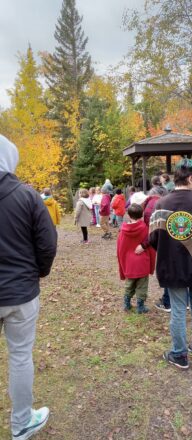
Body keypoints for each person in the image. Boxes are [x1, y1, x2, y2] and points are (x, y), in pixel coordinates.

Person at [0, 134, 57, 440]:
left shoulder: (26, 194)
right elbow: (47, 244)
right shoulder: (27, 195)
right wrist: (39, 273)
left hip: (20, 286)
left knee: (21, 356)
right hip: (20, 292)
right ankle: (21, 424)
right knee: (20, 357)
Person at [149, 158, 192, 369]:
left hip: (172, 266)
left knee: (178, 309)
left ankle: (179, 354)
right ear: (190, 178)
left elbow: (153, 239)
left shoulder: (161, 204)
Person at [117, 204, 155, 313]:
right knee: (142, 286)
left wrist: (123, 264)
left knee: (129, 285)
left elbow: (120, 249)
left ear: (128, 215)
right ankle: (140, 307)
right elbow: (151, 246)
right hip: (142, 263)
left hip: (129, 264)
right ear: (142, 215)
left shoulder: (123, 231)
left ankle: (127, 304)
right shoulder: (145, 229)